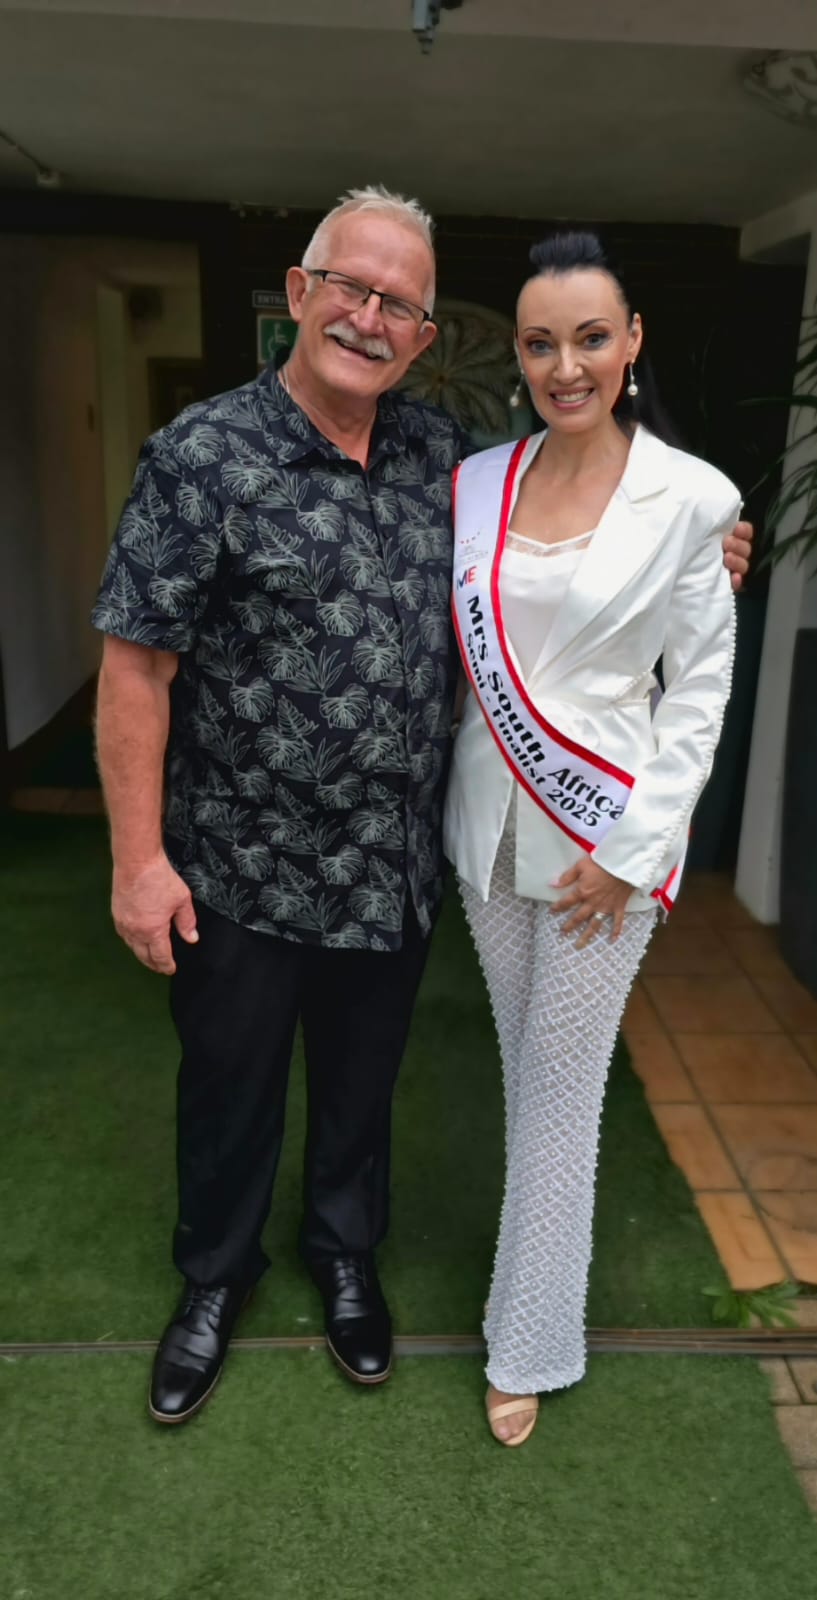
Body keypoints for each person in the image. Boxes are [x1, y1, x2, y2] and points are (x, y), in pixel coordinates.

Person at [92, 188, 752, 1427]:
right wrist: (138, 860)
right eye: (351, 286)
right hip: (237, 855)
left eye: (399, 302)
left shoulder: (442, 457)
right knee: (229, 1085)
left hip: (389, 860)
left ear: (424, 334)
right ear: (301, 293)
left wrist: (703, 552)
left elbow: (579, 538)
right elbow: (135, 667)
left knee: (362, 1085)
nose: (371, 316)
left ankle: (346, 1258)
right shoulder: (201, 455)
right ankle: (214, 1280)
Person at [444, 229, 743, 1446]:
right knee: (528, 1072)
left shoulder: (694, 498)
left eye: (589, 338)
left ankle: (527, 1342)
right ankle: (528, 1300)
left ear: (630, 344)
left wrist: (630, 853)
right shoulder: (477, 482)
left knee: (563, 1089)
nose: (563, 366)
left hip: (601, 839)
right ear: (519, 355)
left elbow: (699, 690)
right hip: (486, 823)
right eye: (539, 343)